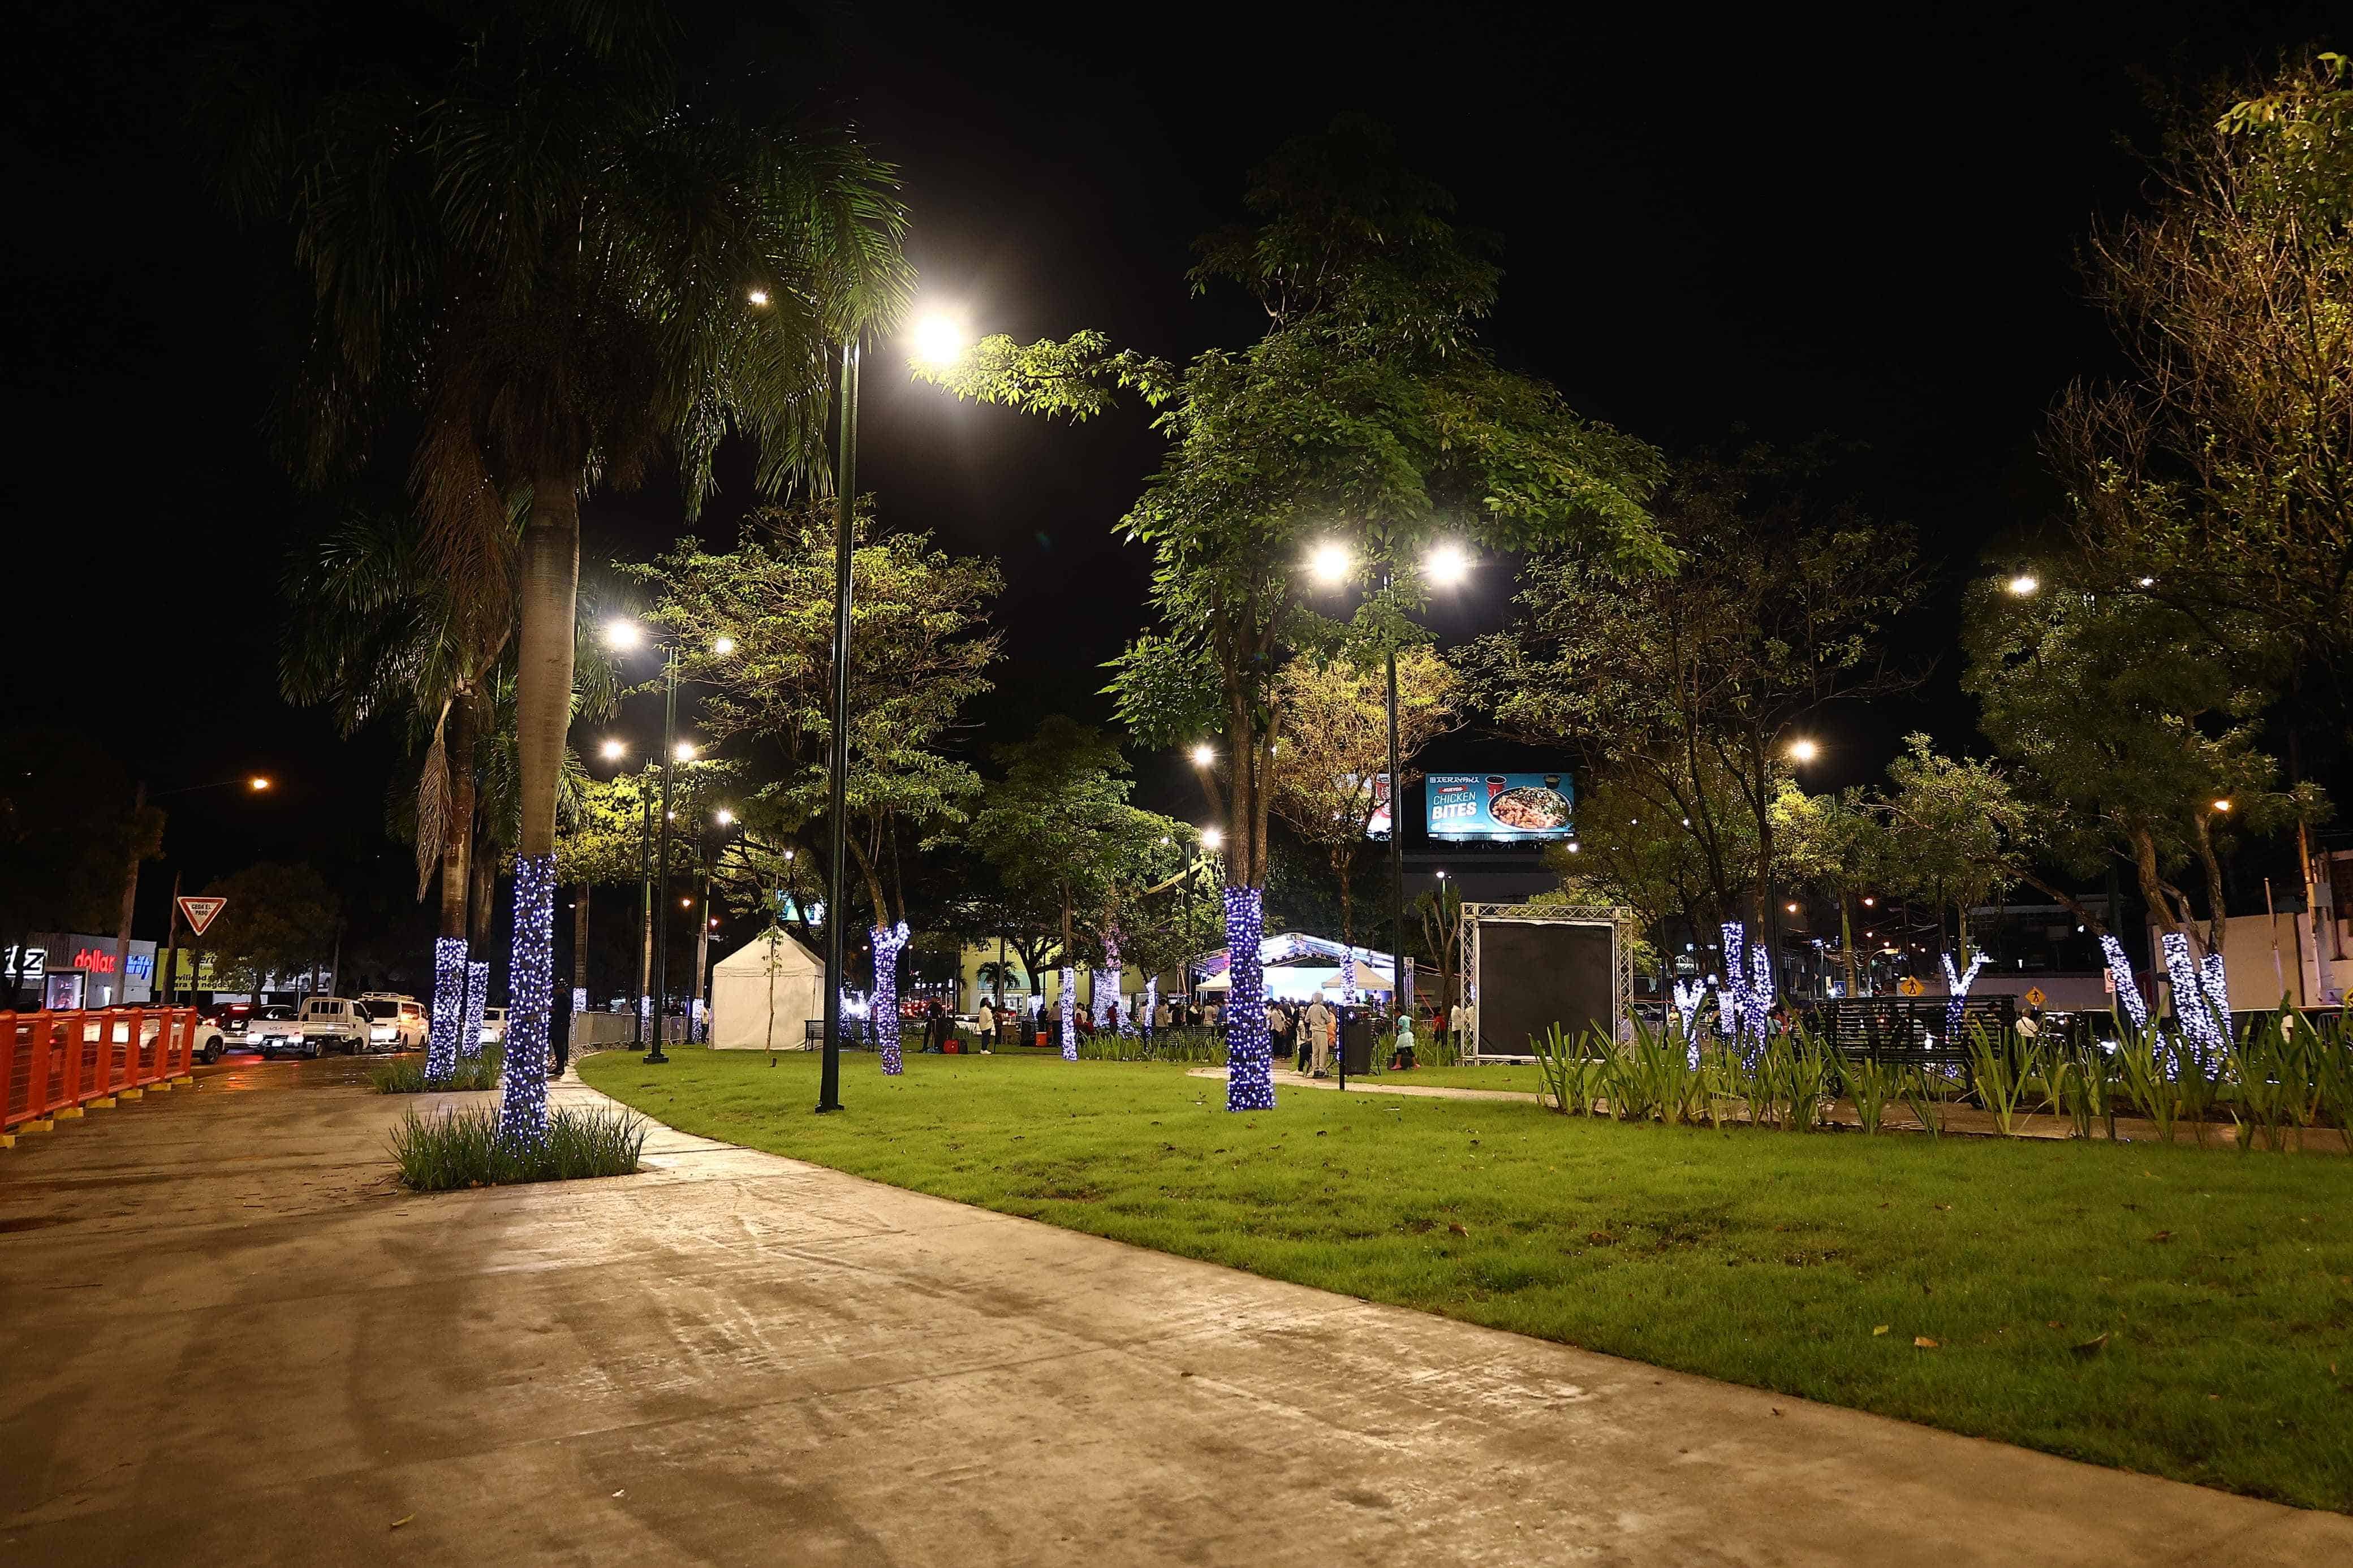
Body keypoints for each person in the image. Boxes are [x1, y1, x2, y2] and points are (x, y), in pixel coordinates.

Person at [1304, 995, 1336, 1078]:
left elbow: (1306, 1020)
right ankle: (1322, 1069)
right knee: (1323, 1051)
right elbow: (1328, 1020)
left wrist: (1314, 1022)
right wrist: (1322, 1022)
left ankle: (1315, 1068)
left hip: (1314, 1031)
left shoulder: (1311, 1008)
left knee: (1315, 1051)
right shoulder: (1322, 1008)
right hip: (1322, 1031)